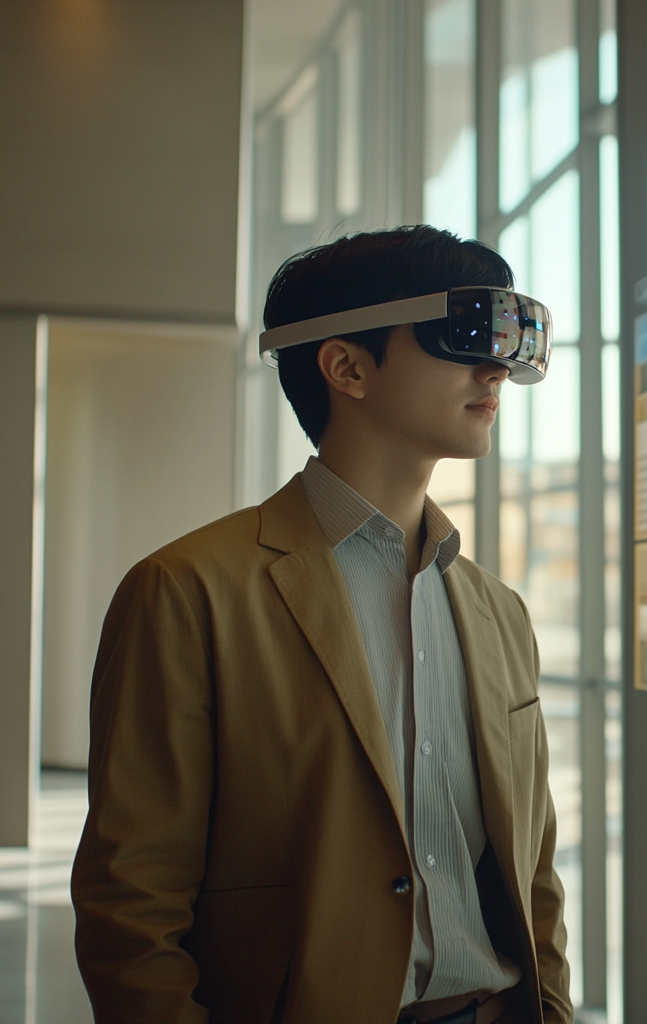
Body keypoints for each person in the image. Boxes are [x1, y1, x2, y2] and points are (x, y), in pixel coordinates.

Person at [71, 225, 571, 1024]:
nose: (497, 370)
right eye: (465, 335)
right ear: (346, 366)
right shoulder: (186, 594)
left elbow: (533, 875)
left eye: (512, 347)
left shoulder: (498, 614)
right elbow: (132, 904)